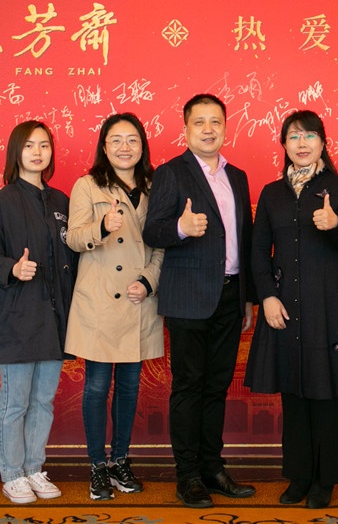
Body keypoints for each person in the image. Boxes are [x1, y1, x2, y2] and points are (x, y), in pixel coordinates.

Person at [142, 93, 256, 509]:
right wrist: (181, 227)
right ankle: (187, 475)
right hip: (188, 298)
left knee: (217, 387)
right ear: (186, 129)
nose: (209, 130)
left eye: (216, 122)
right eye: (200, 122)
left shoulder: (237, 176)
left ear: (226, 127)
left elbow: (245, 238)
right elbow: (152, 231)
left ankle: (213, 468)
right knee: (189, 387)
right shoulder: (171, 172)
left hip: (230, 296)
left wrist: (247, 298)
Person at [244, 110, 338, 509]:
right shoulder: (272, 193)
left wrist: (334, 223)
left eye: (310, 136)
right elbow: (258, 250)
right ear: (284, 144)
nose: (302, 143)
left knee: (324, 392)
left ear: (323, 142)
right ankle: (298, 476)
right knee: (293, 391)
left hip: (328, 303)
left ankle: (325, 479)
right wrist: (266, 296)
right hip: (283, 304)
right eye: (294, 137)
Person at [65, 113, 164, 501]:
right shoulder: (87, 185)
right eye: (116, 140)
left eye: (133, 139)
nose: (125, 147)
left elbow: (162, 247)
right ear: (104, 147)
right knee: (96, 387)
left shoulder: (156, 186)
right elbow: (73, 238)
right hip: (100, 301)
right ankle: (97, 466)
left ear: (143, 146)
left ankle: (120, 460)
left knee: (129, 387)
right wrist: (102, 227)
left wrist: (149, 281)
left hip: (139, 300)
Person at [0, 120, 77, 504]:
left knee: (43, 401)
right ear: (16, 152)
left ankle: (34, 468)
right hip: (17, 317)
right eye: (30, 145)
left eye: (44, 145)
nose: (38, 152)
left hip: (54, 319)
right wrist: (13, 269)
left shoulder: (61, 202)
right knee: (15, 402)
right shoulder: (1, 202)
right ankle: (12, 474)